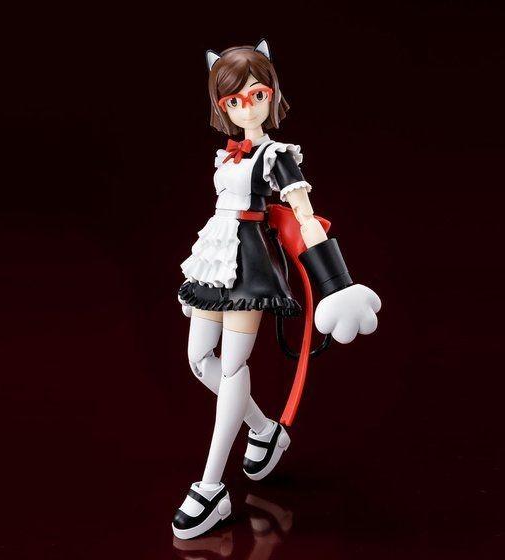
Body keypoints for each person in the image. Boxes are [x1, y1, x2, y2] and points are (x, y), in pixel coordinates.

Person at [173, 39, 382, 540]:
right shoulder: (227, 156)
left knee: (232, 368)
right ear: (222, 106)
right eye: (234, 100)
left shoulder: (277, 155)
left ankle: (211, 487)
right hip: (215, 260)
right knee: (200, 361)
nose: (247, 107)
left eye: (257, 95)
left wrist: (337, 283)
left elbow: (306, 216)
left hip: (249, 265)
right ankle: (266, 430)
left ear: (272, 94)